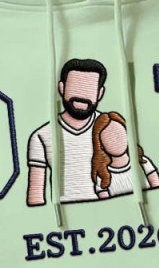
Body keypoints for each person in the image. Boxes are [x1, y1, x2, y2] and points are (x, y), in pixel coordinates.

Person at [26, 58, 107, 206]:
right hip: (62, 215)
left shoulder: (110, 128)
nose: (81, 95)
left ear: (100, 93)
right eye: (75, 86)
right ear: (62, 88)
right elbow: (35, 196)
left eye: (88, 87)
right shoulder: (41, 136)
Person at [91, 111, 159, 199]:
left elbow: (158, 190)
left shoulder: (143, 162)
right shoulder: (102, 176)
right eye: (110, 137)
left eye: (120, 134)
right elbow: (106, 203)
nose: (117, 140)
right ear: (100, 144)